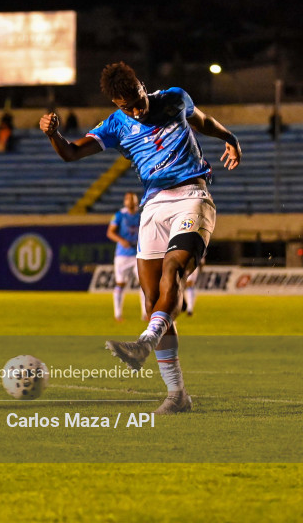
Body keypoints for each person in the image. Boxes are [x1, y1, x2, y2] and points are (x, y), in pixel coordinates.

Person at [39, 61, 241, 414]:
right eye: (126, 105)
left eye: (137, 99)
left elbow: (203, 121)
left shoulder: (174, 98)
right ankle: (178, 395)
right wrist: (52, 135)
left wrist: (230, 138)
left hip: (192, 196)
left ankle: (144, 343)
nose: (135, 108)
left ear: (142, 85)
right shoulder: (116, 125)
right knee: (152, 301)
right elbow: (71, 153)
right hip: (153, 209)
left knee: (174, 272)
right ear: (117, 105)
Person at [106, 191, 147, 322]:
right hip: (122, 255)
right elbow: (110, 233)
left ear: (136, 201)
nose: (130, 201)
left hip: (138, 255)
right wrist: (121, 240)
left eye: (132, 198)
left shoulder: (142, 215)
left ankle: (145, 313)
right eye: (127, 199)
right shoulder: (120, 215)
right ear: (125, 202)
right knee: (120, 284)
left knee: (144, 283)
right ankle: (118, 314)